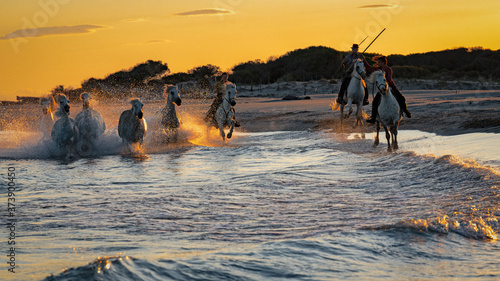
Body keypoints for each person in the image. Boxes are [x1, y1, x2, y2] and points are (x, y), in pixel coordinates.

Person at [364, 55, 412, 123]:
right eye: (378, 62)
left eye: (380, 62)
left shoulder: (388, 69)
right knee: (375, 102)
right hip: (381, 88)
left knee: (401, 98)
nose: (378, 63)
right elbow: (369, 68)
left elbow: (389, 79)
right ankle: (373, 118)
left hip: (391, 86)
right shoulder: (378, 69)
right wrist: (363, 59)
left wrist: (383, 80)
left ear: (384, 63)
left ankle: (406, 111)